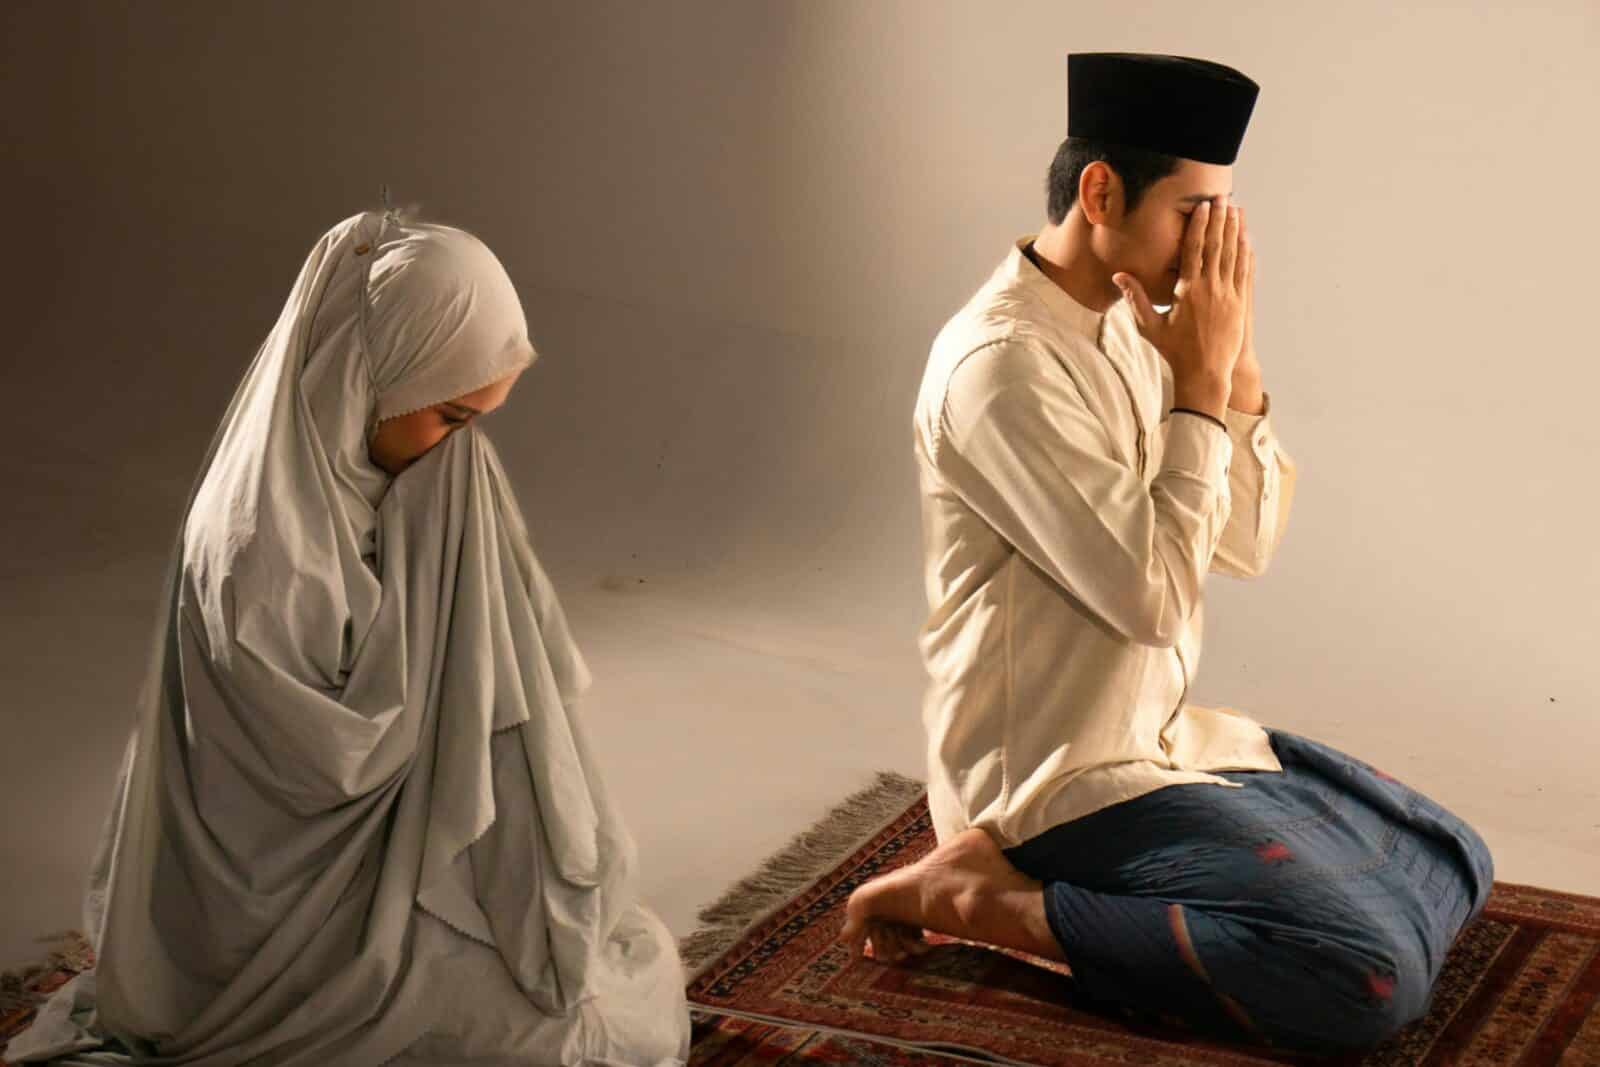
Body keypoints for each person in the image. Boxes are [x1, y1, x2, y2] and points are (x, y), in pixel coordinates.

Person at [839, 53, 1494, 1054]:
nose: (1210, 246)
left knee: (1454, 855)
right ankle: (981, 893)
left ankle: (1117, 900)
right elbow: (1150, 601)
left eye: (1222, 215)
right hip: (1051, 787)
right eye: (1193, 213)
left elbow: (1242, 546)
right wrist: (1196, 386)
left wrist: (1234, 370)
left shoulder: (1138, 328)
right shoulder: (1001, 368)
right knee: (1368, 975)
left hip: (1165, 743)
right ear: (1101, 192)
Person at [4, 205, 691, 1065]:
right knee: (571, 1038)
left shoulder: (414, 472)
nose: (463, 451)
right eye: (451, 417)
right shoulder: (257, 547)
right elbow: (326, 767)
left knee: (608, 982)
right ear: (369, 379)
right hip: (280, 922)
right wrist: (437, 632)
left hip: (394, 871)